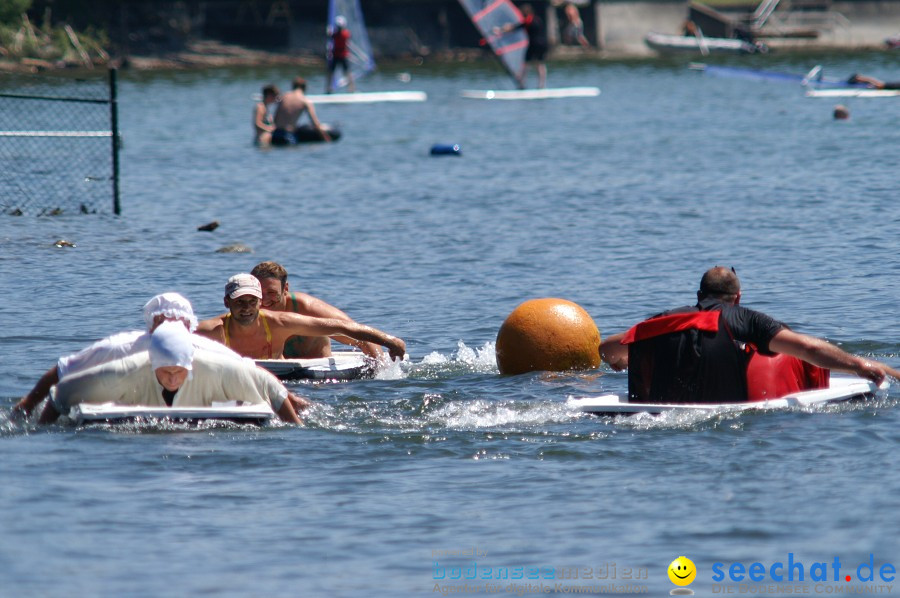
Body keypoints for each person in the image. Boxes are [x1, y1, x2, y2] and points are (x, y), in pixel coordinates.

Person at [599, 267, 900, 404]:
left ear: (698, 294)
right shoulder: (746, 318)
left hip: (652, 417)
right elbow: (807, 348)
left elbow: (608, 350)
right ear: (738, 297)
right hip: (722, 415)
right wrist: (860, 366)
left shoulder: (665, 320)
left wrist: (623, 360)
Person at [40, 321, 302, 425]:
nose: (174, 378)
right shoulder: (121, 372)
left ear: (191, 364)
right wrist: (43, 432)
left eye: (180, 371)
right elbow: (59, 396)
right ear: (151, 364)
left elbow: (273, 390)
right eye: (166, 372)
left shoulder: (219, 369)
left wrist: (297, 432)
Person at [196, 273, 406, 361]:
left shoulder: (280, 323)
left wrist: (389, 341)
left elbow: (342, 327)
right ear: (227, 303)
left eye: (252, 302)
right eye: (240, 302)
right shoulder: (211, 330)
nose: (246, 309)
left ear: (259, 303)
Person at [250, 261, 383, 359]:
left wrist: (378, 373)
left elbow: (361, 337)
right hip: (278, 377)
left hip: (319, 383)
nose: (264, 299)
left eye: (271, 292)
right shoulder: (246, 312)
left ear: (285, 289)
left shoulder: (307, 308)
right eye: (259, 293)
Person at [496, 4, 548, 89]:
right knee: (540, 64)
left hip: (534, 44)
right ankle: (542, 86)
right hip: (543, 44)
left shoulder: (528, 20)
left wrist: (501, 30)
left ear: (526, 13)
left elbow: (516, 27)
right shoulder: (538, 19)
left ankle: (522, 84)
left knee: (526, 64)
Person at [271, 76, 332, 145]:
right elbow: (315, 123)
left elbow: (275, 118)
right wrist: (325, 137)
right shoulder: (304, 100)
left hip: (275, 134)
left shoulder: (283, 96)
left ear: (293, 86)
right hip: (288, 135)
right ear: (304, 88)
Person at [326, 15, 355, 94]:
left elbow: (333, 35)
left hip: (342, 55)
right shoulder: (339, 33)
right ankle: (329, 88)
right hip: (336, 55)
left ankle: (351, 89)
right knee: (331, 72)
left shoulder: (343, 34)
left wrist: (329, 32)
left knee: (347, 72)